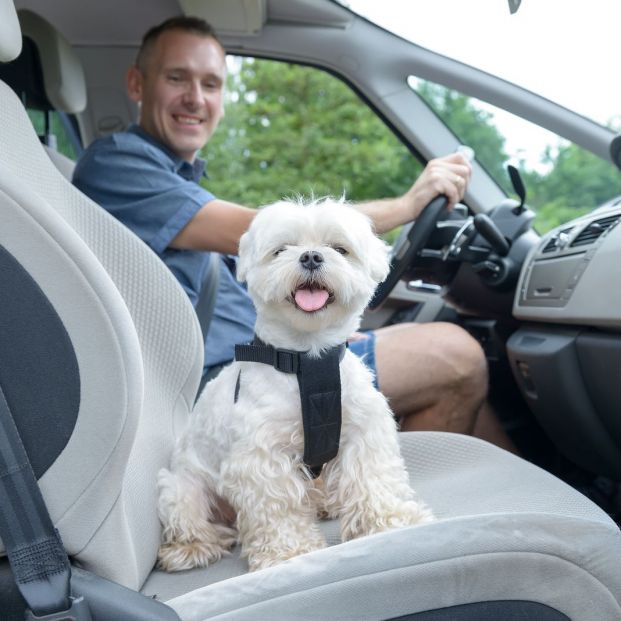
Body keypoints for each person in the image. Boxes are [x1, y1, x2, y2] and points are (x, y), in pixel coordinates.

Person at [73, 16, 513, 449]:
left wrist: (314, 325)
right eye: (177, 78)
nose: (196, 98)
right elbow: (265, 232)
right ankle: (394, 517)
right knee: (457, 358)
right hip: (231, 382)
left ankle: (499, 508)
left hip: (269, 356)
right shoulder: (118, 165)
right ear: (137, 85)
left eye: (211, 84)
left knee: (455, 367)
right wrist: (407, 205)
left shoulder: (179, 181)